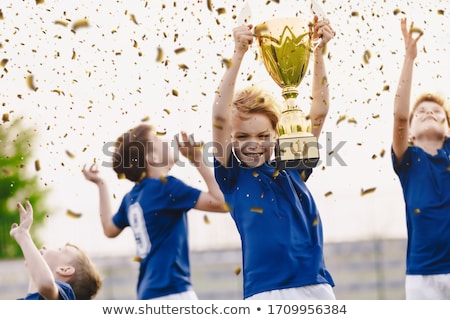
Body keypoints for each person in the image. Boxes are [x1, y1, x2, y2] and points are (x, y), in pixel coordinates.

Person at [211, 16, 336, 300]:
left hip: (315, 287)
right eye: (241, 137)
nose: (253, 144)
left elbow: (319, 112)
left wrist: (318, 53)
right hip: (263, 293)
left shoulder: (292, 162)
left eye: (263, 137)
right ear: (231, 138)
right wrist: (239, 52)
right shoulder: (232, 176)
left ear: (277, 134)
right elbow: (219, 116)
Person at [82, 126, 227, 300]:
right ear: (152, 157)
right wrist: (196, 159)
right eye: (158, 140)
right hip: (173, 291)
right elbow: (221, 203)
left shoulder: (131, 198)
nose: (165, 141)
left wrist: (101, 185)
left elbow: (108, 228)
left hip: (147, 294)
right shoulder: (165, 187)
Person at [392, 18, 450, 300]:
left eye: (437, 112)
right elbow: (400, 115)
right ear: (411, 133)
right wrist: (409, 58)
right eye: (421, 112)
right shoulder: (409, 160)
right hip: (422, 275)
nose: (429, 112)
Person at [10, 200, 102, 300]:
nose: (45, 246)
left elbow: (46, 284)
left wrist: (23, 235)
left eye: (59, 249)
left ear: (64, 270)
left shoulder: (63, 295)